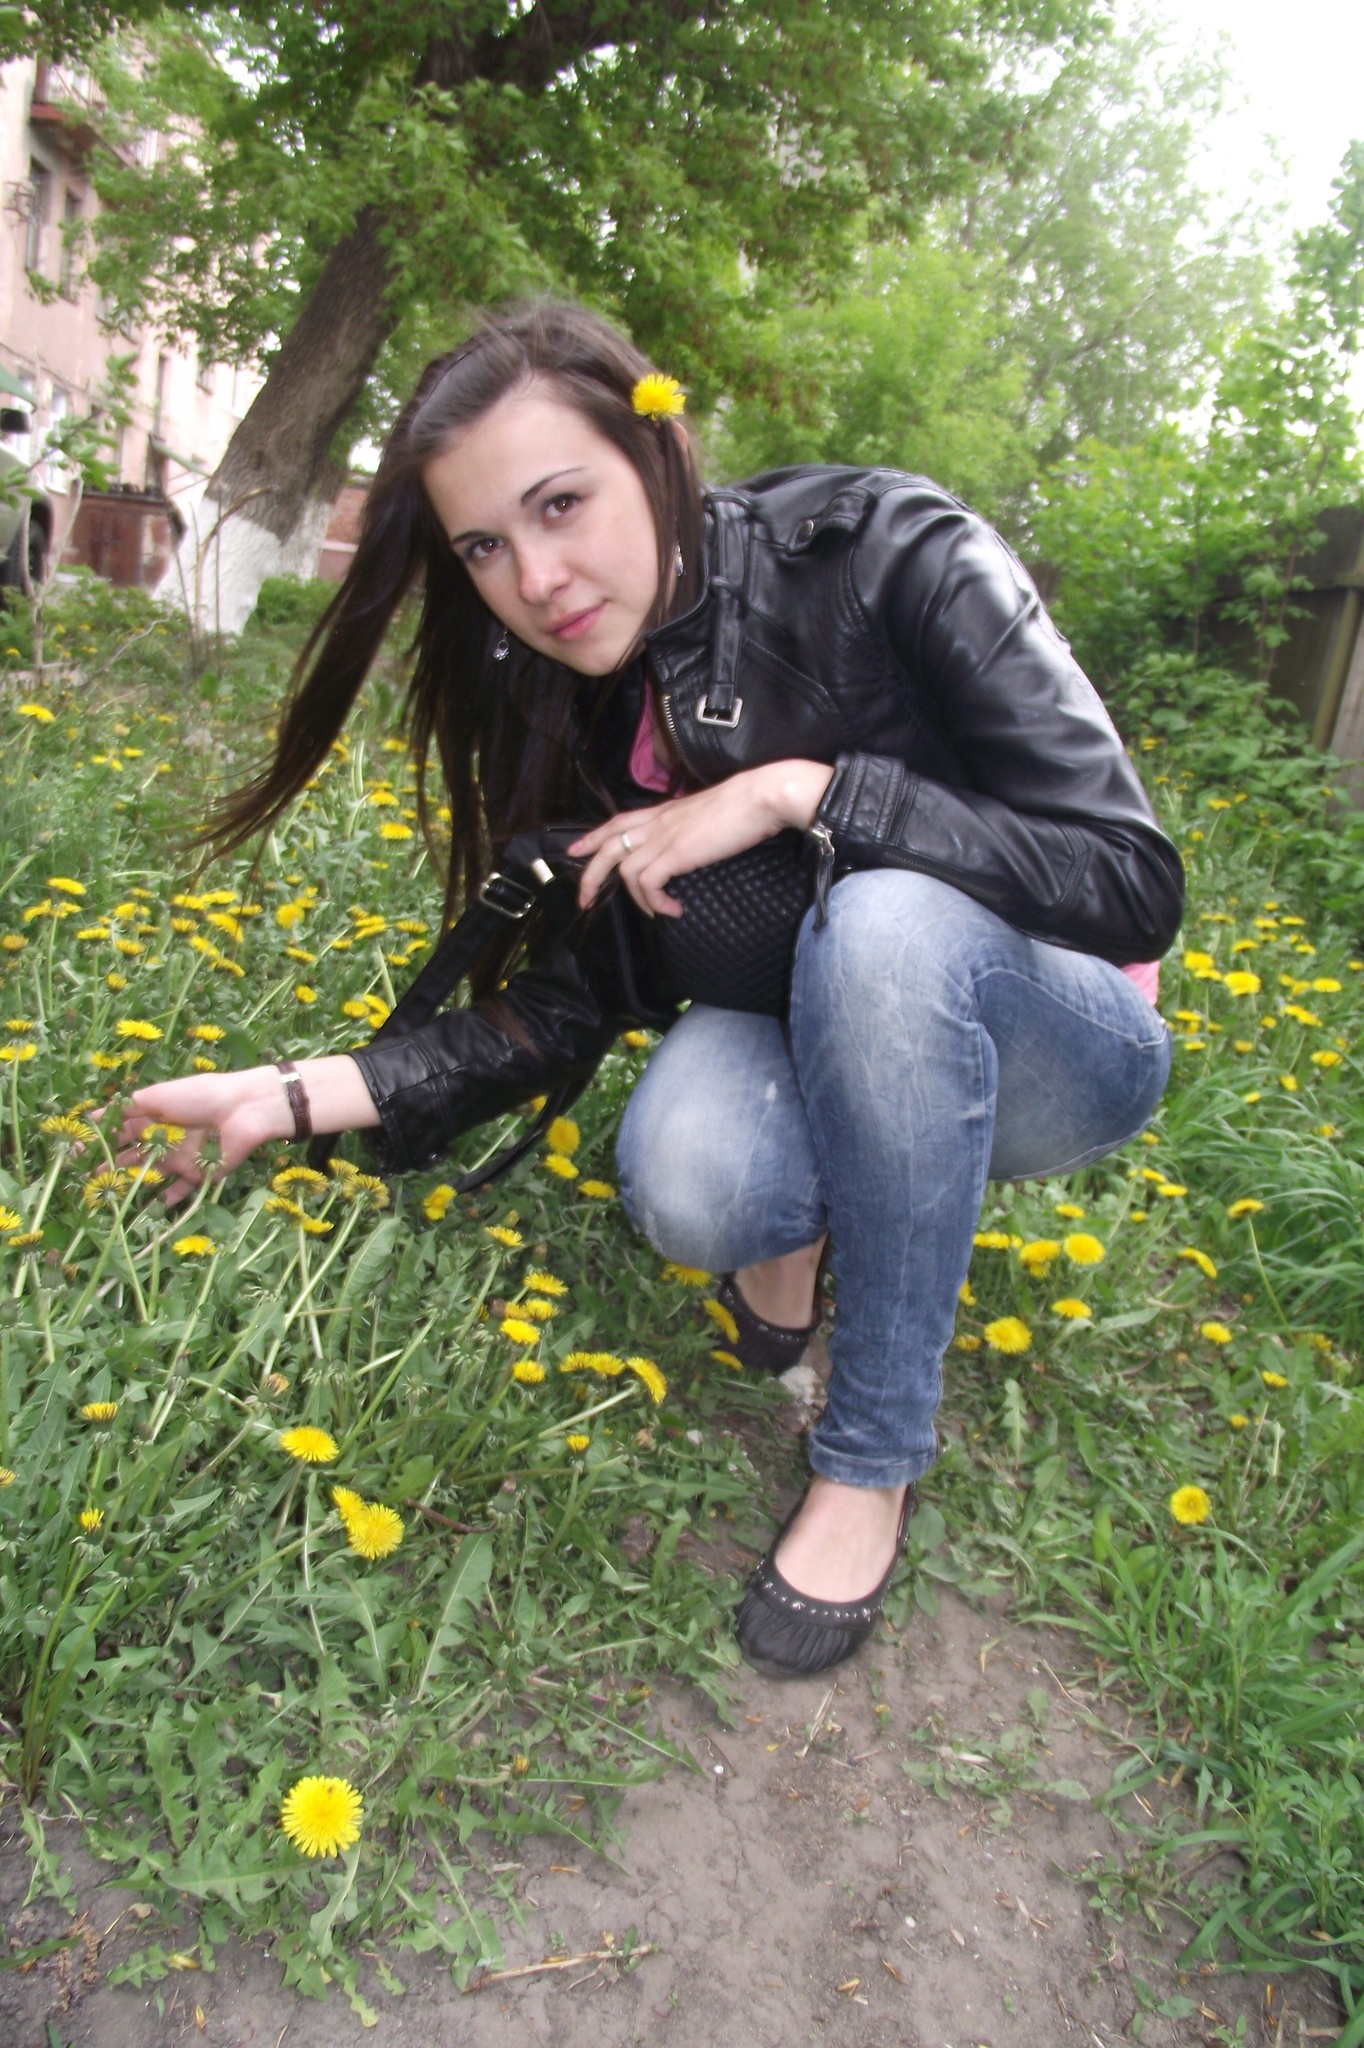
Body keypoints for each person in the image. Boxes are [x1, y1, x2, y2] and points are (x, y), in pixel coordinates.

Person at [115, 300, 1183, 1681]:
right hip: (815, 1008)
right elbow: (571, 1000)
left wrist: (804, 793)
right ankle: (806, 1233)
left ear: (656, 450)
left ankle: (870, 1456)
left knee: (887, 923)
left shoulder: (885, 547)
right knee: (687, 1171)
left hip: (1054, 1031)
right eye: (484, 547)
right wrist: (288, 1096)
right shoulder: (571, 688)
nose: (536, 577)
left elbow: (1130, 880)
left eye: (562, 504)